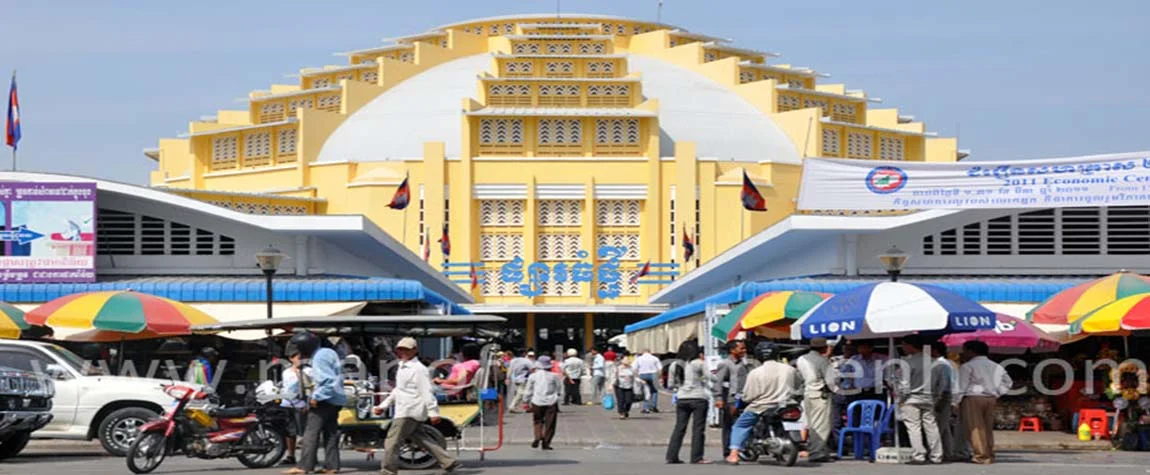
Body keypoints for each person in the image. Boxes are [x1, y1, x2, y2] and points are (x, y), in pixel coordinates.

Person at [373, 337, 459, 475]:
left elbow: (426, 391)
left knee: (392, 441)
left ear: (415, 350)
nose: (403, 352)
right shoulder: (402, 366)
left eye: (407, 349)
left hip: (410, 410)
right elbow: (398, 390)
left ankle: (388, 471)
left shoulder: (418, 369)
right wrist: (383, 405)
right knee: (421, 438)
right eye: (401, 349)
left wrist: (433, 412)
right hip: (405, 408)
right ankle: (448, 461)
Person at [725, 342, 802, 465]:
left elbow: (749, 395)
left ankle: (734, 454)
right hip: (787, 404)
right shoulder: (790, 369)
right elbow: (798, 386)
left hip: (761, 406)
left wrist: (744, 398)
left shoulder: (755, 373)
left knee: (740, 425)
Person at [285, 331, 346, 475]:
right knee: (330, 434)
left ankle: (304, 467)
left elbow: (326, 381)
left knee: (310, 433)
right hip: (336, 399)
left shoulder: (319, 357)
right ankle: (332, 467)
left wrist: (316, 397)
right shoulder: (328, 352)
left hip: (324, 400)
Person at [955, 340, 1012, 465]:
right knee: (987, 428)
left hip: (972, 397)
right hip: (990, 398)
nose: (962, 353)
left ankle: (981, 455)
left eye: (964, 350)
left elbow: (961, 386)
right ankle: (989, 453)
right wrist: (997, 393)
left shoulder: (967, 366)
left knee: (975, 428)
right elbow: (1008, 382)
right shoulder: (996, 366)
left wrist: (956, 402)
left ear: (971, 351)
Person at [897, 335, 943, 465]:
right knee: (931, 426)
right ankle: (936, 455)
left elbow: (904, 385)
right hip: (929, 397)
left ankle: (919, 455)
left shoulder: (908, 363)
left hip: (911, 398)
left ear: (910, 346)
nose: (903, 348)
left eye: (904, 345)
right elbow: (941, 383)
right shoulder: (935, 362)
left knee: (913, 427)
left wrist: (901, 399)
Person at [665, 340, 711, 465]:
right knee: (698, 429)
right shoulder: (699, 363)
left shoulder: (674, 365)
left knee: (679, 428)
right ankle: (696, 457)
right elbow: (711, 378)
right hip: (699, 397)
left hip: (682, 398)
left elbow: (670, 385)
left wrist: (681, 387)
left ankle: (671, 455)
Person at [795, 337, 838, 463]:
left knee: (812, 424)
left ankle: (817, 449)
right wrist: (837, 390)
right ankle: (817, 452)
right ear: (824, 348)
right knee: (822, 425)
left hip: (808, 393)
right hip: (820, 394)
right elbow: (830, 381)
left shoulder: (801, 359)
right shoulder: (822, 360)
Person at [712, 340, 748, 460]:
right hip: (731, 399)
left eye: (744, 348)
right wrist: (718, 398)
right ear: (732, 350)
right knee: (729, 425)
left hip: (745, 397)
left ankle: (743, 448)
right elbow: (718, 382)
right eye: (741, 349)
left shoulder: (745, 363)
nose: (744, 351)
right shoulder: (725, 364)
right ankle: (728, 451)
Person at [280, 346, 312, 467]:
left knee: (305, 432)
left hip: (302, 404)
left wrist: (308, 404)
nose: (301, 360)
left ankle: (309, 456)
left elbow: (311, 388)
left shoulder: (309, 371)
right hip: (288, 403)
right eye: (298, 358)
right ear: (291, 358)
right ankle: (290, 455)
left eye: (303, 358)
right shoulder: (286, 372)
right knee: (290, 431)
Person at [524, 356, 562, 450]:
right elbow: (559, 388)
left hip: (537, 401)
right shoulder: (554, 376)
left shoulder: (533, 376)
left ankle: (537, 437)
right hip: (551, 401)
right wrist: (558, 396)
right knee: (550, 423)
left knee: (537, 421)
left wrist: (526, 400)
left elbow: (528, 390)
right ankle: (546, 443)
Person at [930, 343, 959, 462]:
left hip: (943, 396)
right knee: (944, 426)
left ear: (936, 351)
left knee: (938, 426)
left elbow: (943, 383)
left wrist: (938, 398)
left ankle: (936, 452)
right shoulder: (945, 364)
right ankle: (948, 451)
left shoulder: (941, 364)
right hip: (945, 395)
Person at [605, 351, 636, 419]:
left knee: (629, 401)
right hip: (619, 386)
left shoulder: (631, 368)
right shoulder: (617, 368)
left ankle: (626, 410)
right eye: (625, 361)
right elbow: (614, 377)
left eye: (628, 361)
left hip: (629, 386)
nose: (627, 362)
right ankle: (621, 413)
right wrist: (611, 385)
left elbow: (635, 376)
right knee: (620, 400)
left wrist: (641, 381)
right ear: (622, 361)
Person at [634, 349, 663, 413]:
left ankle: (645, 408)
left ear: (643, 352)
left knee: (645, 391)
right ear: (650, 352)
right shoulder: (655, 358)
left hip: (643, 375)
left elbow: (635, 369)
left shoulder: (639, 358)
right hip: (653, 375)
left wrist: (637, 377)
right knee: (654, 391)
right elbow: (660, 369)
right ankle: (653, 406)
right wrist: (660, 377)